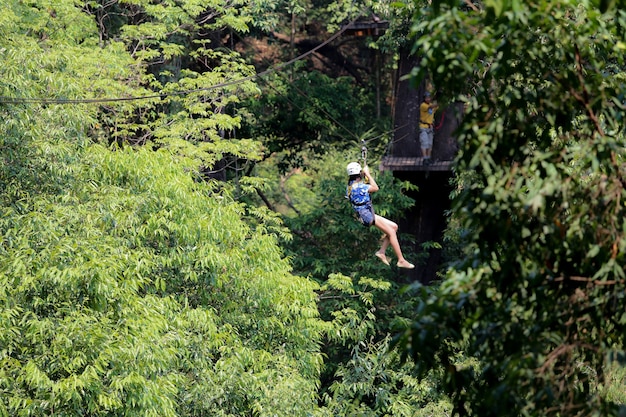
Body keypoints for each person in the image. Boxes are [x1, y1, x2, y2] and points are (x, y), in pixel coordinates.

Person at [345, 162, 415, 269]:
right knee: (391, 232)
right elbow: (375, 188)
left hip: (365, 214)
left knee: (394, 227)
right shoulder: (359, 187)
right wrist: (368, 174)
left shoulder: (351, 186)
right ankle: (401, 260)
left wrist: (364, 176)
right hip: (367, 215)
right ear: (359, 173)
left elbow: (364, 188)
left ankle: (382, 251)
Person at [419, 91, 439, 165]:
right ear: (424, 99)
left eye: (429, 97)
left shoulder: (431, 105)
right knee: (425, 143)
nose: (428, 99)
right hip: (423, 127)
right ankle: (425, 159)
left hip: (430, 127)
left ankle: (428, 158)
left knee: (430, 144)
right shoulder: (423, 105)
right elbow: (431, 107)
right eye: (427, 98)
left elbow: (436, 107)